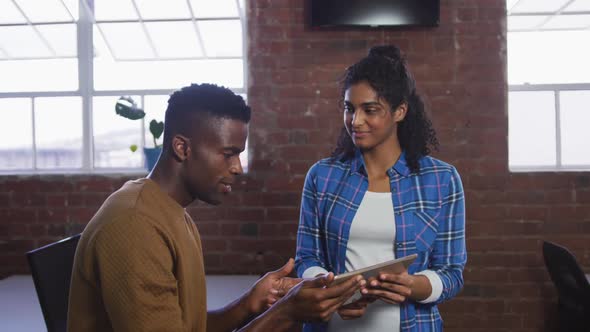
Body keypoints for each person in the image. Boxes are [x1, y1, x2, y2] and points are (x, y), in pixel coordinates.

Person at [67, 83, 365, 332]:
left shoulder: (170, 212)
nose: (237, 167)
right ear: (182, 148)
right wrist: (284, 314)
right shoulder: (135, 226)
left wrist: (251, 302)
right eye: (227, 154)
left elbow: (187, 326)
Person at [295, 45, 467, 332]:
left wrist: (414, 286)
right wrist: (334, 293)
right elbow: (307, 259)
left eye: (370, 110)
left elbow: (451, 273)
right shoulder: (322, 176)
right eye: (350, 108)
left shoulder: (442, 180)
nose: (356, 121)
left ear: (400, 111)